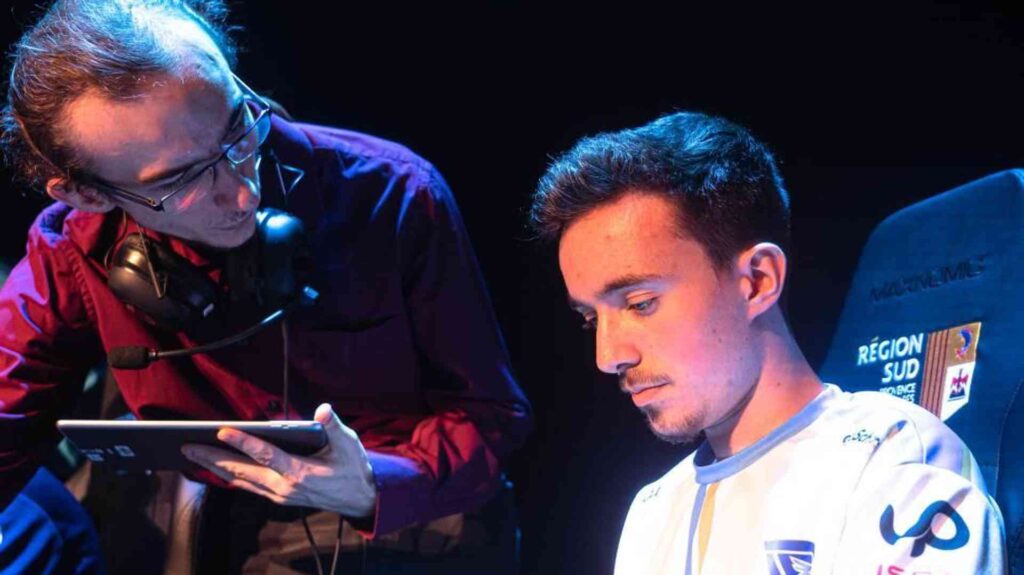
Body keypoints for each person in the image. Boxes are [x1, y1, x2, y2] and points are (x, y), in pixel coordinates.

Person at [0, 0, 530, 573]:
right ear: (87, 194)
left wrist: (372, 486)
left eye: (239, 128)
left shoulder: (393, 193)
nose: (244, 193)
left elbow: (492, 415)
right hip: (222, 515)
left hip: (410, 507)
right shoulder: (72, 247)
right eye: (181, 180)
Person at [530, 112, 1005, 574]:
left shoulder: (891, 464)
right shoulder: (651, 512)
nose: (609, 356)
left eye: (640, 303)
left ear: (758, 281)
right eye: (591, 319)